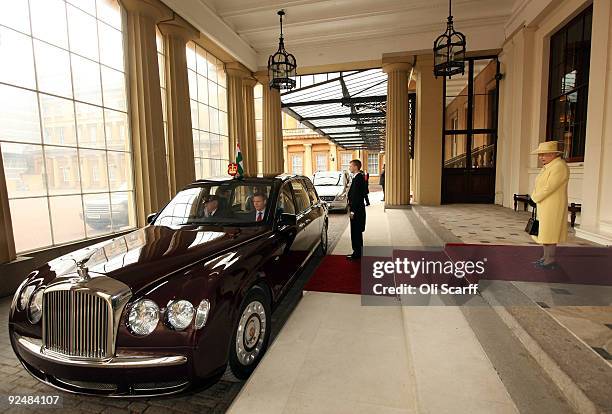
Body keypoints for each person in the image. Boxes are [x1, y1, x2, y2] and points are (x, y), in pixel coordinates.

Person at [528, 141, 569, 270]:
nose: (541, 157)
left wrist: (534, 198)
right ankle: (545, 258)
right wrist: (533, 197)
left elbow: (549, 187)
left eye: (544, 154)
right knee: (545, 232)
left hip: (553, 205)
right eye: (540, 155)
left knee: (550, 232)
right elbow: (539, 184)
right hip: (544, 204)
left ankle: (550, 259)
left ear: (554, 154)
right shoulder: (549, 166)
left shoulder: (559, 166)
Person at [347, 160, 367, 260]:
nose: (349, 167)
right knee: (356, 232)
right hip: (358, 209)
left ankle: (357, 253)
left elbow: (356, 197)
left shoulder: (358, 178)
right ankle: (358, 252)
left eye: (350, 166)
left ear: (356, 167)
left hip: (357, 211)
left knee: (356, 232)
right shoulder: (357, 178)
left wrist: (352, 211)